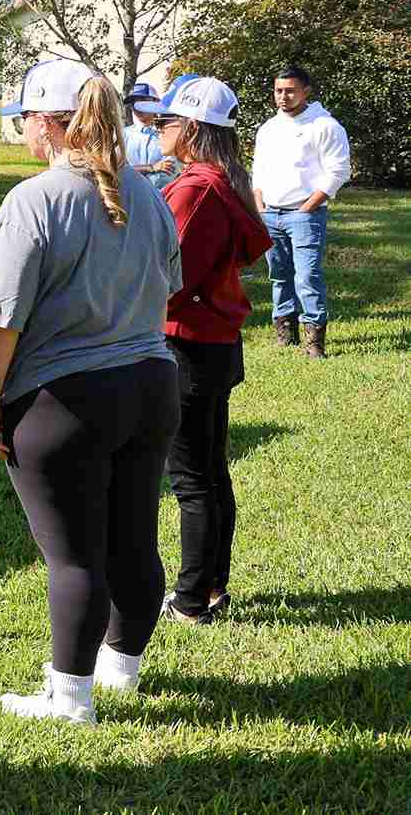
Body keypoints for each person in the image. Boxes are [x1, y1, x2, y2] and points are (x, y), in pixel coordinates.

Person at [0, 59, 182, 724]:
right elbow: (167, 284)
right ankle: (121, 670)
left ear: (46, 123)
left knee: (72, 557)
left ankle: (69, 699)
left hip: (66, 400)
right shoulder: (145, 191)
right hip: (150, 386)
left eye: (23, 118)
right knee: (133, 542)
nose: (22, 130)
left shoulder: (33, 199)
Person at [150, 76, 272, 626]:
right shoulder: (221, 182)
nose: (157, 130)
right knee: (211, 472)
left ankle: (193, 598)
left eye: (165, 122)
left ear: (193, 128)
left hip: (188, 345)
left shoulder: (195, 189)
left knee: (193, 480)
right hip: (214, 343)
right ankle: (213, 586)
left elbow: (164, 274)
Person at [251, 64, 351, 358]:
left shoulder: (324, 125)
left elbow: (338, 171)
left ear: (305, 91)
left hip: (304, 215)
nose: (283, 96)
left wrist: (308, 208)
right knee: (279, 275)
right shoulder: (268, 128)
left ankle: (314, 341)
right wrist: (259, 201)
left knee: (307, 276)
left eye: (290, 90)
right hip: (270, 213)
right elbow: (259, 168)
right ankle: (285, 332)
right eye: (278, 90)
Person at [122, 82, 176, 190]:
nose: (136, 106)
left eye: (142, 100)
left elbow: (170, 169)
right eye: (132, 102)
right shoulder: (122, 135)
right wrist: (151, 168)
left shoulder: (169, 133)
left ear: (156, 102)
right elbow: (118, 170)